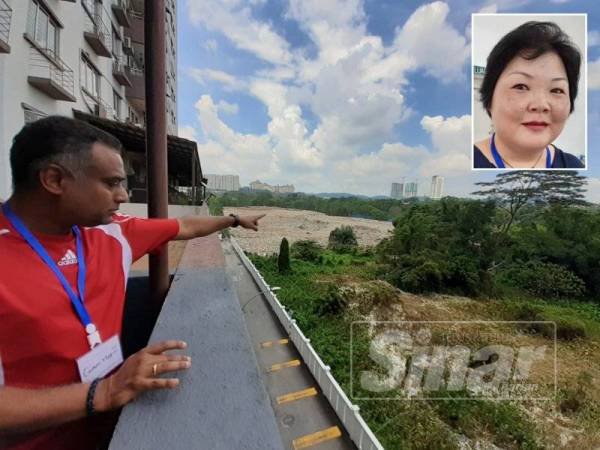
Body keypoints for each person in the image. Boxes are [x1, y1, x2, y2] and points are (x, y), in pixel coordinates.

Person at [0, 116, 264, 449]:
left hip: (113, 432)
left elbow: (183, 228)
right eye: (111, 183)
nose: (123, 195)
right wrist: (105, 392)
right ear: (54, 179)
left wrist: (234, 219)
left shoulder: (112, 233)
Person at [473, 21, 584, 169]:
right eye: (521, 86)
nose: (540, 105)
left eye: (556, 90)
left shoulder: (574, 166)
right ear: (489, 99)